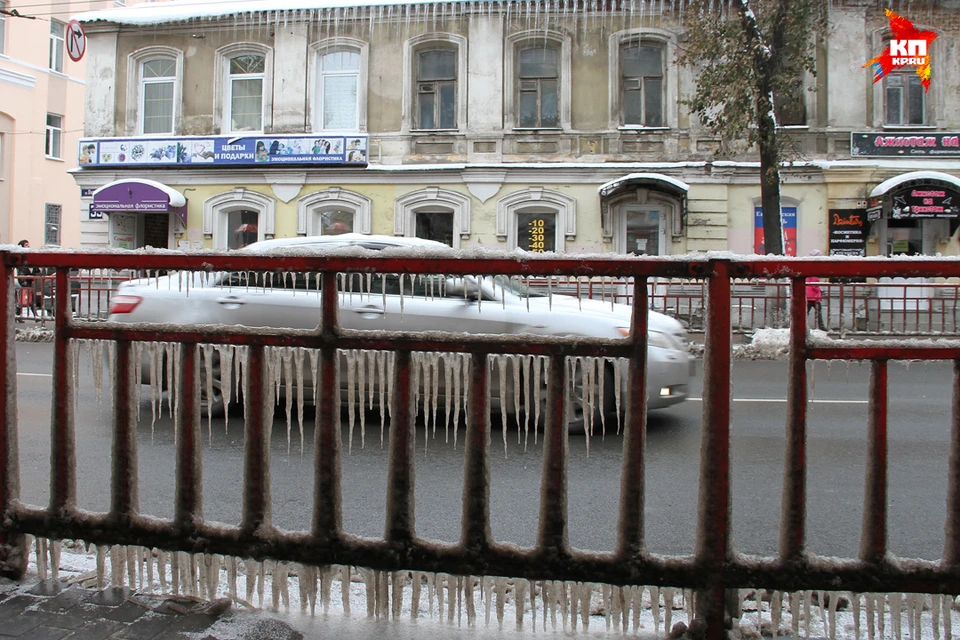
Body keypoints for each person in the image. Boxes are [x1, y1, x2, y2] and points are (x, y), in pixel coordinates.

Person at [805, 250, 826, 331]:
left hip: (809, 295)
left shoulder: (808, 268)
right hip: (814, 296)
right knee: (819, 312)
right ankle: (821, 327)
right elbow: (814, 285)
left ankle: (803, 326)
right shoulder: (814, 270)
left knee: (806, 312)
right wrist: (819, 290)